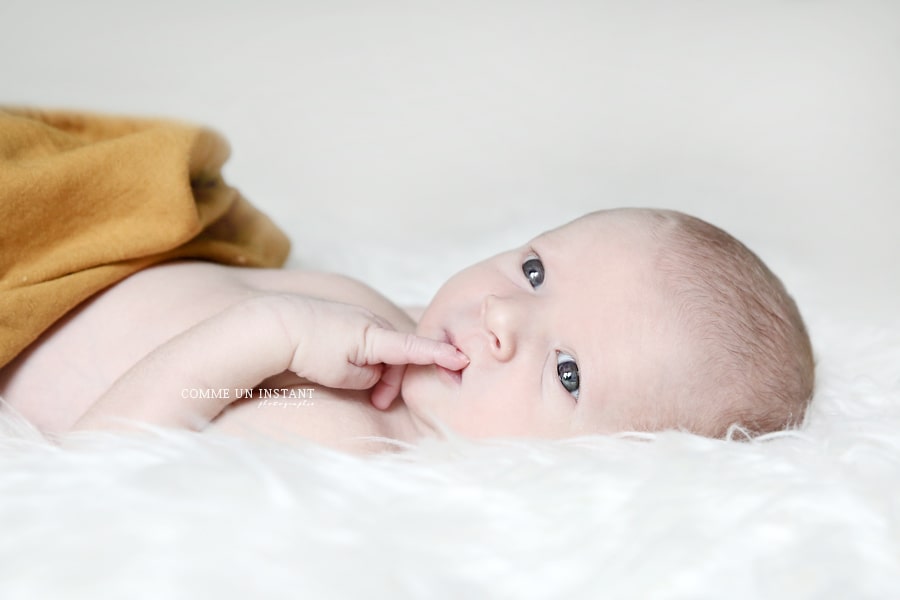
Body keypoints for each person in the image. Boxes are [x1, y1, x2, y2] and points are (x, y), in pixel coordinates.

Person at [0, 110, 815, 454]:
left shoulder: (344, 440)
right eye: (534, 273)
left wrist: (271, 336)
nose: (499, 313)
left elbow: (106, 457)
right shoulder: (395, 326)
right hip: (92, 245)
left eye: (566, 372)